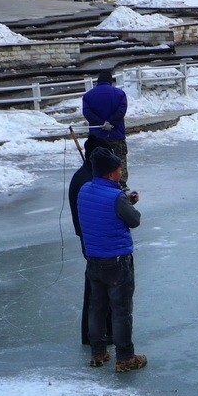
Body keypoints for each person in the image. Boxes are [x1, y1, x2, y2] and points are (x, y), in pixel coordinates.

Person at [78, 147, 146, 372]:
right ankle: (125, 357)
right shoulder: (116, 197)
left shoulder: (85, 190)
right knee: (121, 310)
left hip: (94, 260)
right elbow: (134, 220)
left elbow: (101, 210)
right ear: (109, 174)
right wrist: (126, 202)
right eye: (119, 170)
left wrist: (124, 201)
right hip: (117, 261)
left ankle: (98, 352)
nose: (121, 173)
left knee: (97, 307)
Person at [69, 136, 118, 346]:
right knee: (98, 290)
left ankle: (101, 332)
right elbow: (97, 211)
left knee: (98, 288)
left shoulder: (88, 176)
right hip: (94, 241)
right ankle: (96, 335)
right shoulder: (86, 181)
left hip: (92, 239)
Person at [82, 69, 129, 185]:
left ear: (97, 82)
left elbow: (87, 113)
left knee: (99, 164)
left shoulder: (88, 96)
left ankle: (99, 186)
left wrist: (101, 123)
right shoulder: (120, 94)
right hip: (116, 135)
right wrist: (110, 123)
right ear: (110, 81)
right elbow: (121, 110)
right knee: (119, 161)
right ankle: (121, 185)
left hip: (97, 137)